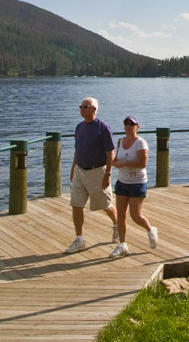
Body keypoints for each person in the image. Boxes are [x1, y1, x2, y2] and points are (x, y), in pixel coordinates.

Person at [64, 97, 118, 254]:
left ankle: (116, 225)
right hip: (80, 171)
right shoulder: (79, 127)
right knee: (76, 204)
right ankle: (79, 239)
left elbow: (110, 154)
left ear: (94, 109)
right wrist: (73, 167)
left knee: (105, 205)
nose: (82, 109)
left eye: (85, 106)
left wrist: (107, 174)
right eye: (80, 106)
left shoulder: (103, 128)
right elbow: (78, 149)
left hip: (97, 171)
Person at [109, 115, 158, 257]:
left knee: (135, 216)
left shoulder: (140, 143)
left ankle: (150, 229)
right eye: (126, 124)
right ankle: (123, 244)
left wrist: (123, 164)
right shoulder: (120, 141)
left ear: (137, 127)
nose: (129, 127)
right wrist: (114, 162)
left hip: (137, 183)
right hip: (122, 183)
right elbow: (118, 159)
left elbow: (142, 163)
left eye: (132, 124)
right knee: (121, 216)